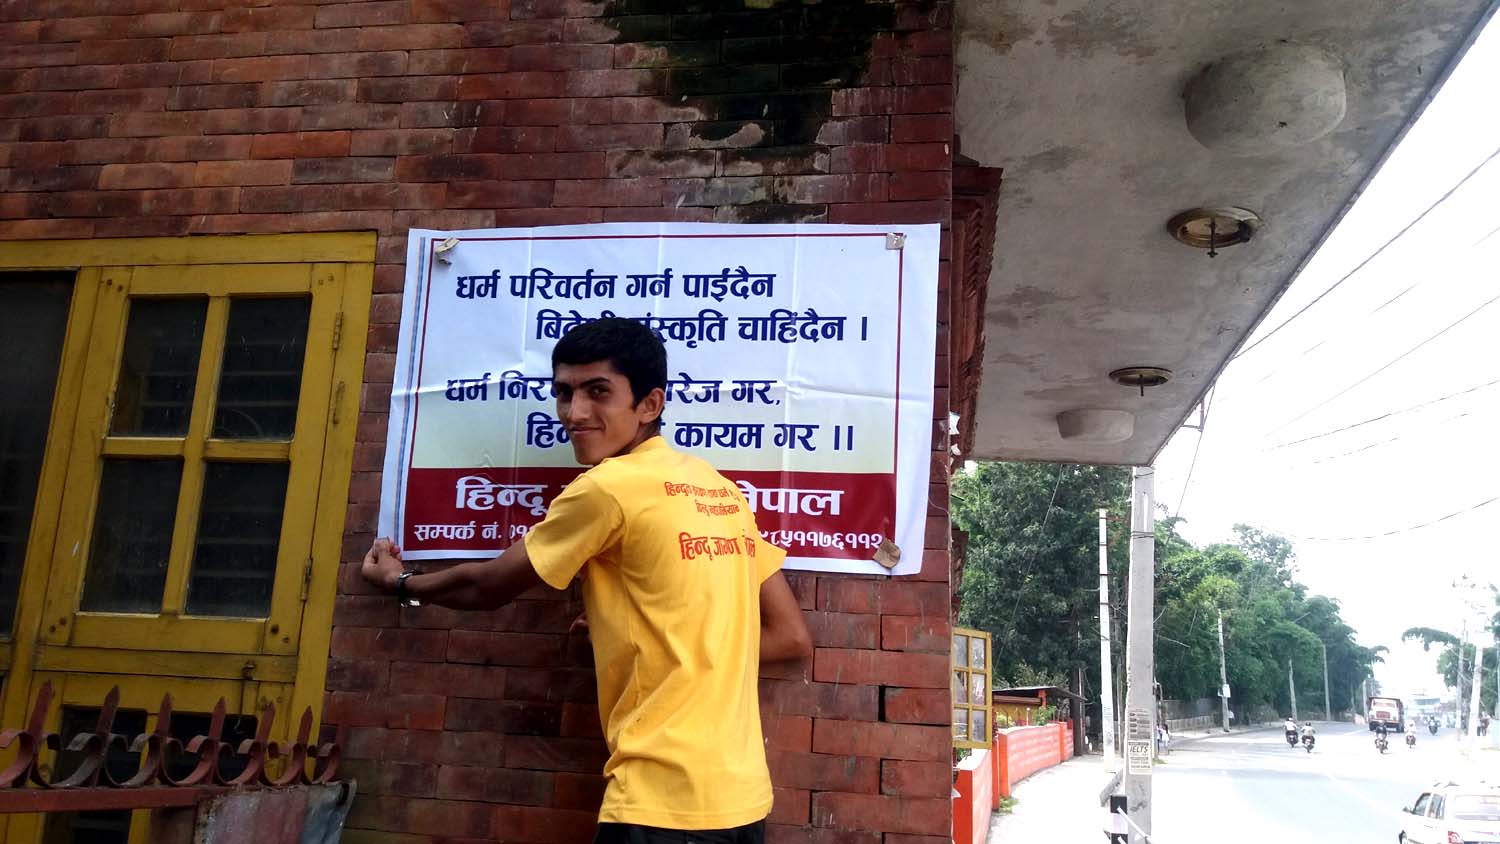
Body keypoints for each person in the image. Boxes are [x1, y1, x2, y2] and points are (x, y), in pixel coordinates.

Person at [362, 318, 813, 844]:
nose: (574, 414)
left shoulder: (607, 489)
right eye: (564, 393)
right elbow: (790, 638)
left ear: (650, 405)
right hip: (742, 804)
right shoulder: (719, 490)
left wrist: (402, 583)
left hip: (659, 806)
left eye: (598, 392)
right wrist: (650, 639)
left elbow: (488, 587)